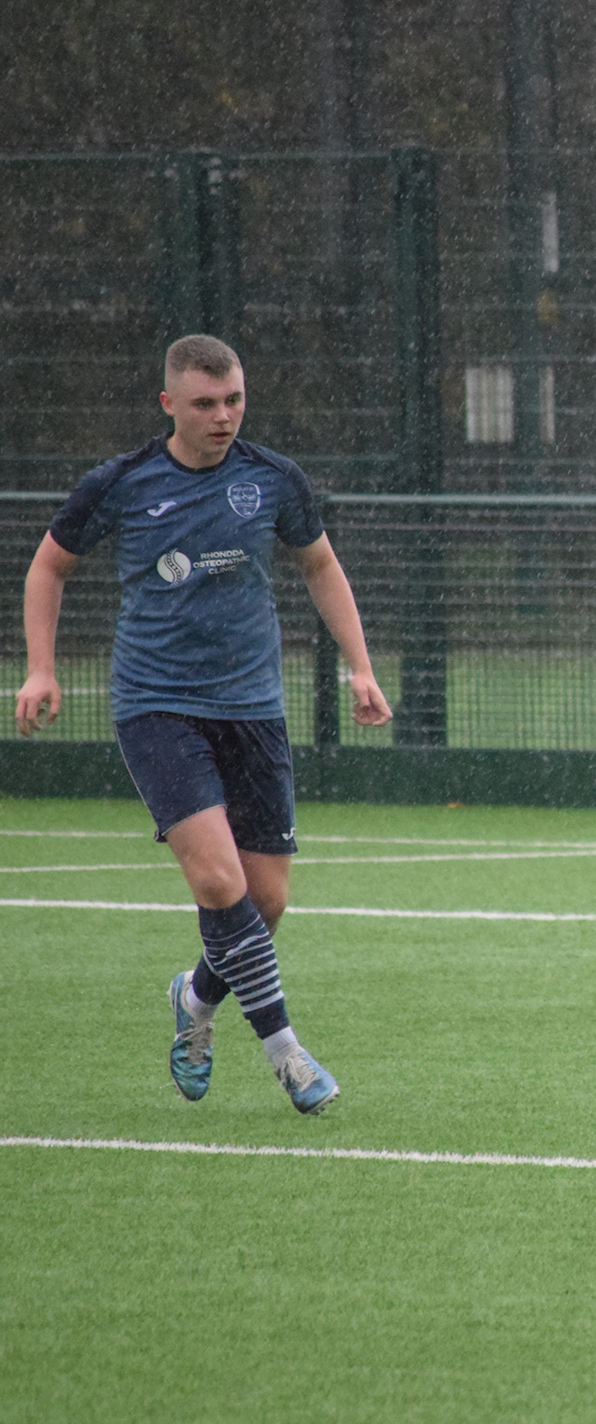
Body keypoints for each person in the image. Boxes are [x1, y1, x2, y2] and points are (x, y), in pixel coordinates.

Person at [15, 334, 392, 1115]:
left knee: (266, 899)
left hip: (253, 707)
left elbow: (320, 565)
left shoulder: (272, 478)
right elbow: (49, 564)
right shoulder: (119, 483)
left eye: (234, 401)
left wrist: (360, 664)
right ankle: (287, 1053)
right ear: (169, 406)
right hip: (157, 705)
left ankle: (196, 996)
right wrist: (41, 667)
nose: (223, 417)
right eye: (204, 404)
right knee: (219, 882)